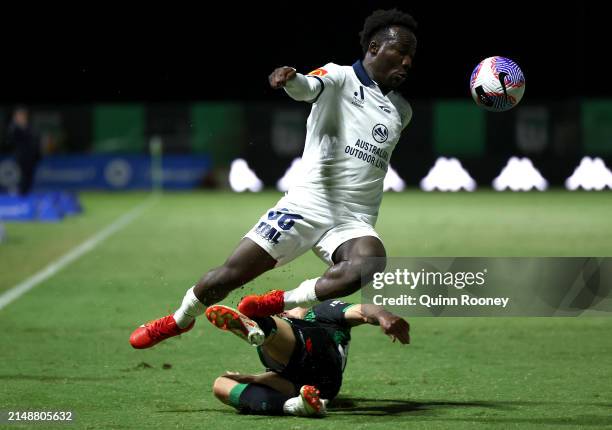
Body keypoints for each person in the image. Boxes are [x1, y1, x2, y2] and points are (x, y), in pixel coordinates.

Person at [130, 9, 416, 349]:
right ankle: (180, 320)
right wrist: (291, 79)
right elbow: (309, 86)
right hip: (307, 204)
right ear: (373, 48)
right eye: (401, 51)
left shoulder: (401, 111)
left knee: (369, 262)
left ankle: (275, 303)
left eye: (412, 55)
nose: (408, 61)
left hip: (354, 217)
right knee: (229, 276)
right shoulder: (340, 77)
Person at [206, 300, 410, 417]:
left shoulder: (321, 314)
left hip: (324, 367)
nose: (284, 311)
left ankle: (260, 325)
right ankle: (295, 406)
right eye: (280, 311)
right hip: (307, 388)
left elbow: (364, 310)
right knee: (221, 385)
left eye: (284, 309)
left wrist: (384, 316)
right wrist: (253, 379)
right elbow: (281, 378)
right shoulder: (286, 338)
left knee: (290, 327)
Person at [5, 106, 41, 195]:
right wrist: (18, 126)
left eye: (23, 115)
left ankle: (26, 195)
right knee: (22, 178)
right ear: (16, 117)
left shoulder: (30, 127)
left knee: (29, 178)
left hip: (32, 157)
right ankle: (21, 196)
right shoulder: (14, 128)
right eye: (20, 115)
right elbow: (11, 141)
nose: (22, 117)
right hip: (21, 157)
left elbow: (35, 140)